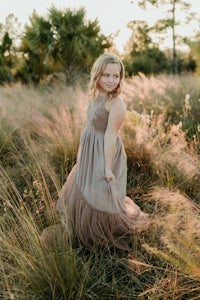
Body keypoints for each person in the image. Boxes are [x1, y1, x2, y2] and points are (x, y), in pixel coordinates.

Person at [44, 53, 148, 250]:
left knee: (100, 193)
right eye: (106, 75)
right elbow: (89, 129)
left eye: (115, 76)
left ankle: (101, 233)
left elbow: (110, 136)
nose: (111, 80)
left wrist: (107, 168)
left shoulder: (115, 103)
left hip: (105, 153)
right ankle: (80, 228)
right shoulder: (96, 97)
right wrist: (82, 158)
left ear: (121, 78)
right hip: (90, 153)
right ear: (97, 75)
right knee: (85, 187)